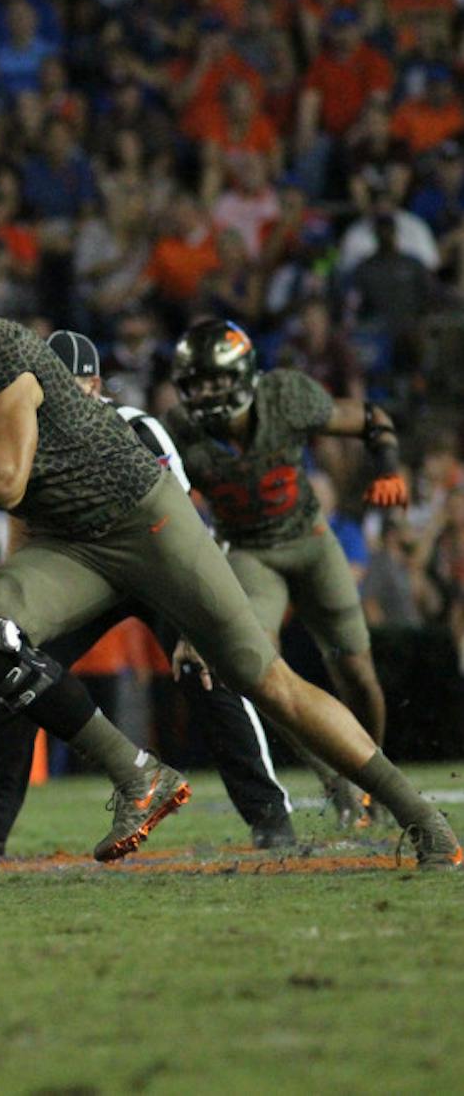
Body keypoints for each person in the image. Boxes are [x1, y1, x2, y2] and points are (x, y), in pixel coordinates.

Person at [0, 251, 458, 868]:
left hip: (141, 520)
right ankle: (138, 777)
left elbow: (2, 479)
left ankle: (419, 816)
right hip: (64, 543)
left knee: (263, 679)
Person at [0, 330, 294, 864]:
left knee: (208, 669)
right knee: (14, 675)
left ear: (95, 385)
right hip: (77, 573)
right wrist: (5, 614)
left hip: (153, 567)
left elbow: (184, 528)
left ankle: (270, 814)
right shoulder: (19, 435)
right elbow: (22, 532)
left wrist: (199, 626)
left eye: (68, 384)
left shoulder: (133, 427)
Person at [165, 318, 411, 826]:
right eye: (195, 384)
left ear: (244, 374)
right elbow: (168, 526)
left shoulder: (286, 398)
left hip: (311, 542)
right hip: (249, 552)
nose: (205, 395)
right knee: (261, 675)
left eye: (216, 381)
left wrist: (388, 466)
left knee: (358, 675)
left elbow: (369, 417)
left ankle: (376, 779)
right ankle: (334, 779)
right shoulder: (179, 432)